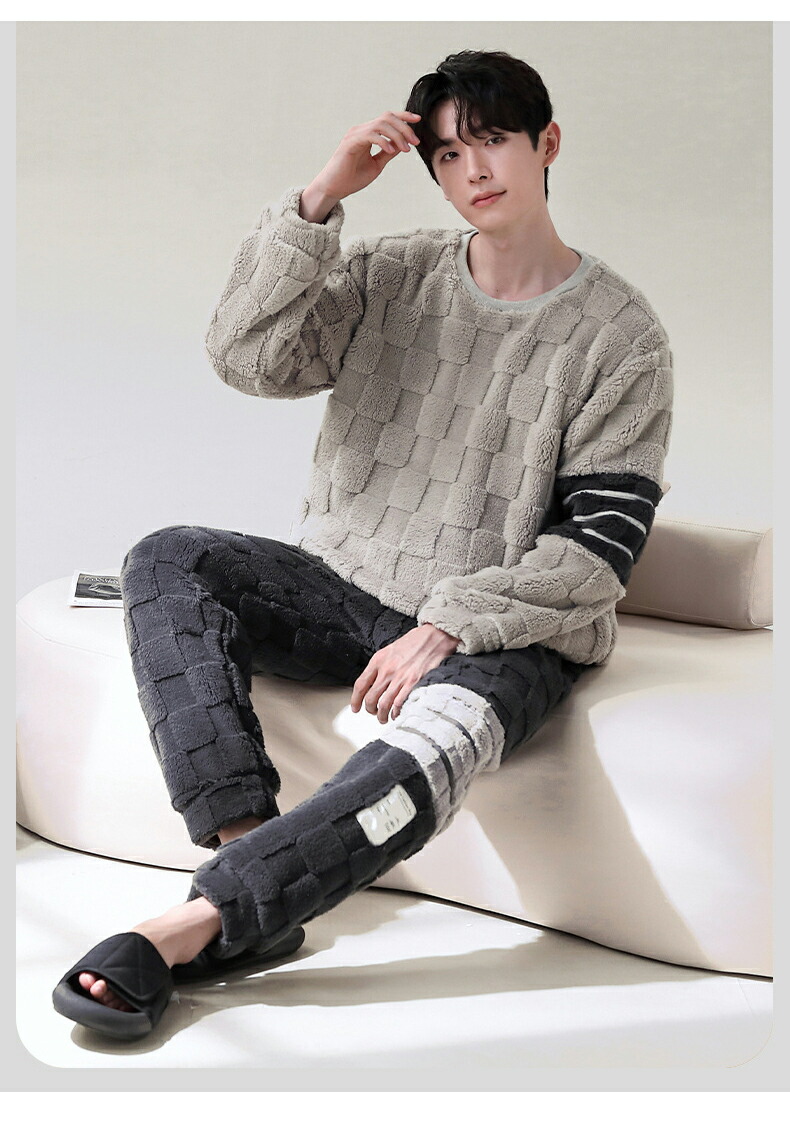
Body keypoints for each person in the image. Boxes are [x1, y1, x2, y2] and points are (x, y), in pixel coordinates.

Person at [53, 49, 673, 1039]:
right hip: (348, 586)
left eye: (493, 141)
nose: (474, 170)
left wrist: (449, 624)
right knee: (169, 555)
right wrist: (320, 199)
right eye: (449, 154)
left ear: (547, 143)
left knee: (441, 741)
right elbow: (244, 356)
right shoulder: (392, 275)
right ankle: (246, 844)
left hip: (506, 633)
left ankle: (196, 923)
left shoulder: (621, 336)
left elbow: (598, 550)